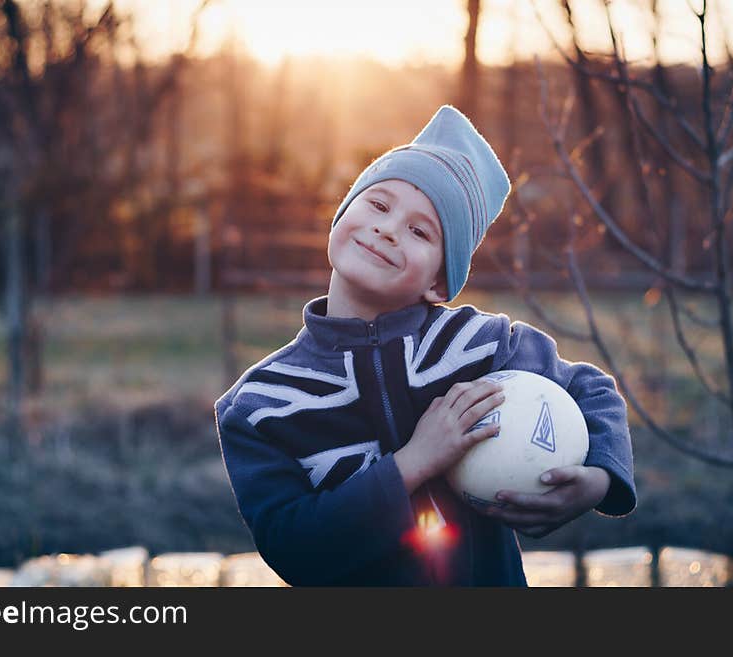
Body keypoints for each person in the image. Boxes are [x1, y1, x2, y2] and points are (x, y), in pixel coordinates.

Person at [213, 105, 636, 586]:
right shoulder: (261, 405)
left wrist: (598, 481)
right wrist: (414, 462)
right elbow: (293, 548)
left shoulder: (480, 346)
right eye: (377, 204)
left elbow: (592, 389)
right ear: (340, 217)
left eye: (419, 231)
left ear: (439, 282)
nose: (388, 228)